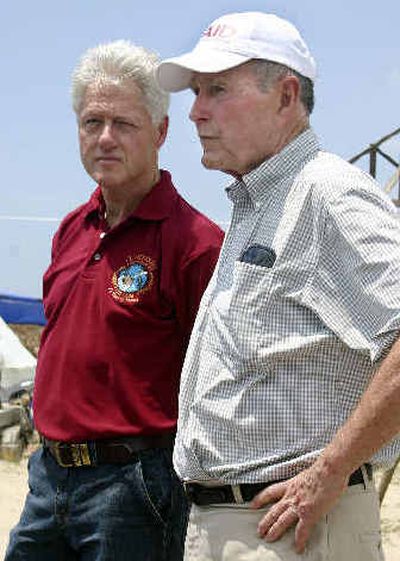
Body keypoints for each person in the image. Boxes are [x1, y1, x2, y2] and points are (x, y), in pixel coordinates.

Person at [156, 11, 400, 561]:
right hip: (241, 527)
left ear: (286, 95)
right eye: (195, 92)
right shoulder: (258, 202)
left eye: (217, 90)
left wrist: (329, 472)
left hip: (292, 531)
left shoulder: (326, 195)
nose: (195, 111)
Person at [6, 40, 223, 561]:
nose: (104, 138)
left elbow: (219, 381)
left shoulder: (196, 243)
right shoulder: (70, 231)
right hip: (47, 476)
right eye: (91, 122)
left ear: (161, 132)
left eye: (123, 123)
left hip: (134, 487)